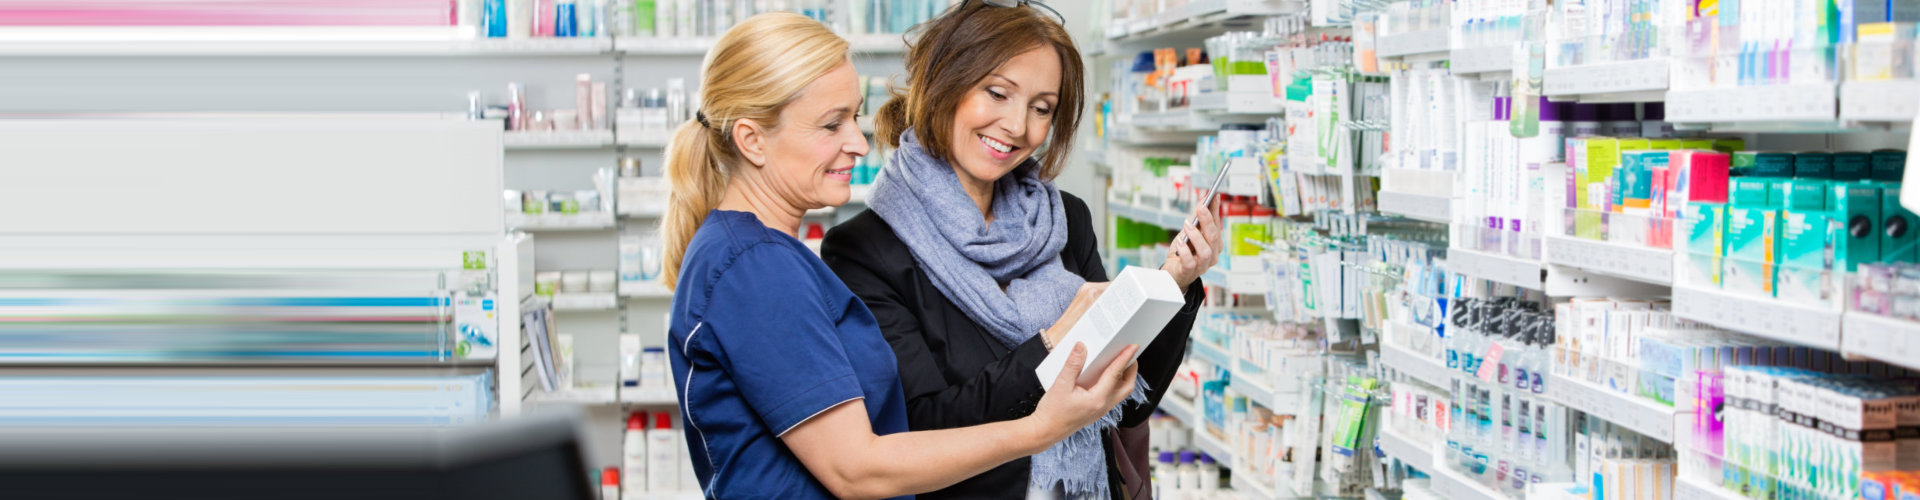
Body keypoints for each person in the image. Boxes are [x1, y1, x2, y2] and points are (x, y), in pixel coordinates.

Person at [660, 13, 1143, 500]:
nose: (857, 141)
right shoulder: (755, 267)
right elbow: (856, 469)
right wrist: (1040, 430)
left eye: (854, 116)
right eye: (832, 124)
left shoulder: (765, 255)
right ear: (751, 140)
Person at [820, 1, 1226, 498]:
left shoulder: (1065, 219)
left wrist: (1173, 281)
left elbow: (1130, 403)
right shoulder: (866, 249)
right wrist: (1054, 343)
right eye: (997, 93)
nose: (1017, 126)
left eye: (1041, 108)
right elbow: (919, 425)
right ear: (944, 81)